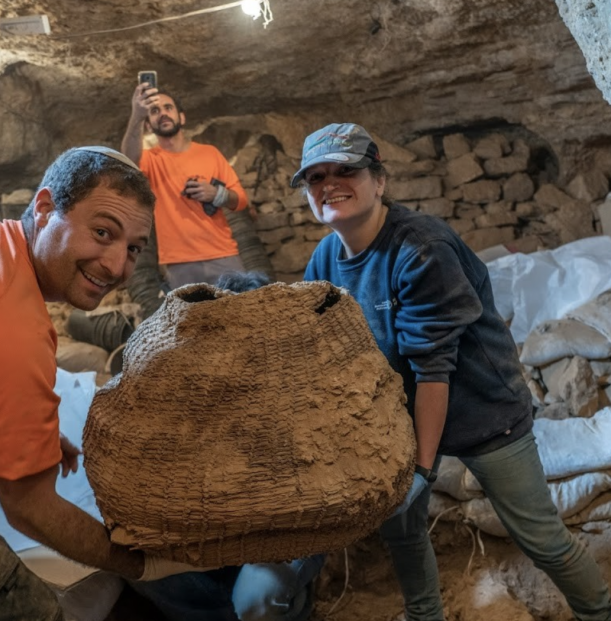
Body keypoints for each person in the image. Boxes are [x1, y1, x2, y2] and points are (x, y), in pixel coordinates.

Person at [295, 123, 611, 621]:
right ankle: (426, 616)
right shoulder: (324, 260)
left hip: (482, 410)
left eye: (345, 170)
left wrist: (422, 470)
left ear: (379, 181)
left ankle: (598, 612)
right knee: (403, 532)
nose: (329, 183)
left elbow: (433, 372)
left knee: (541, 538)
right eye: (316, 177)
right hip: (399, 414)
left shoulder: (420, 248)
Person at [0, 146, 200, 618]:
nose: (115, 265)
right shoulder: (14, 324)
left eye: (132, 249)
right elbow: (29, 506)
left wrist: (28, 433)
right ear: (44, 209)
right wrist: (142, 564)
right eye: (102, 232)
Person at [130, 269, 326, 621]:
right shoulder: (193, 385)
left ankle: (291, 606)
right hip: (220, 524)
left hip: (291, 529)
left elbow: (314, 491)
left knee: (257, 595)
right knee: (143, 570)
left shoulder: (303, 387)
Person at [121, 84, 248, 289]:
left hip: (223, 254)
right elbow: (127, 162)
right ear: (148, 125)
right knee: (192, 321)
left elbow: (241, 201)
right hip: (179, 264)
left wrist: (217, 194)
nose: (162, 113)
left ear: (182, 117)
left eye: (168, 108)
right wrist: (136, 115)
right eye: (154, 111)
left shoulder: (209, 153)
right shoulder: (150, 160)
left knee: (243, 316)